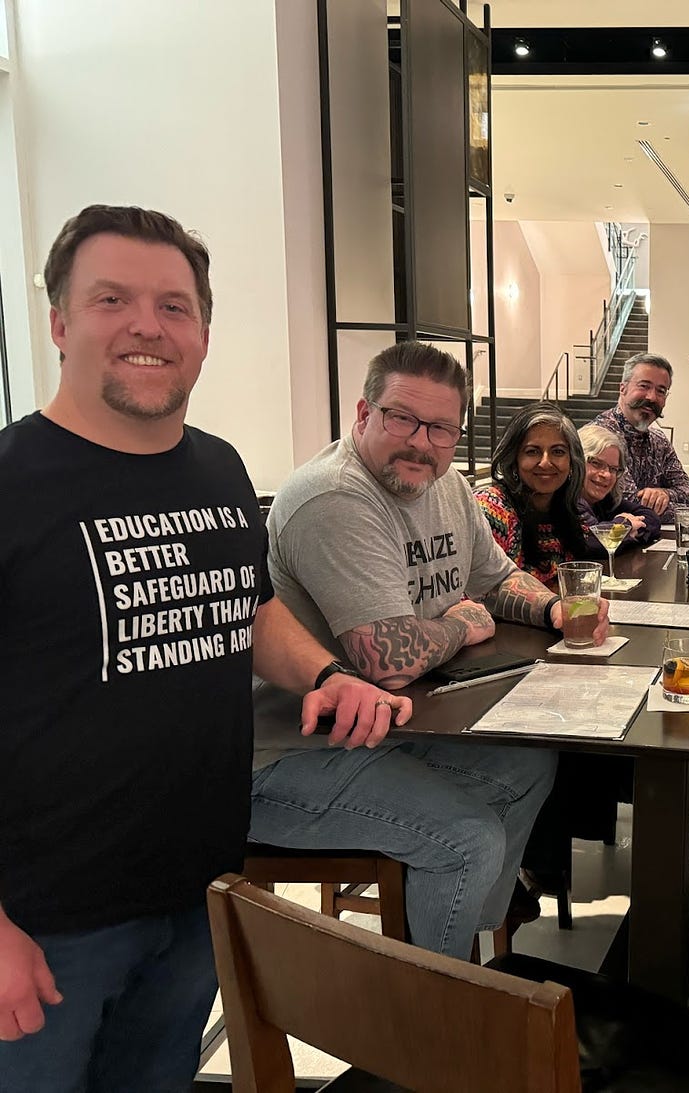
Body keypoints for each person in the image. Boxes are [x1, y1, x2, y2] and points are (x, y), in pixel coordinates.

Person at [0, 205, 405, 1091]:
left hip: (198, 888)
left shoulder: (219, 469)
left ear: (204, 334)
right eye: (112, 298)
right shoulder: (12, 483)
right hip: (41, 923)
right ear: (61, 322)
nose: (148, 324)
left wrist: (326, 672)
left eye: (175, 306)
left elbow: (247, 608)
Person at [251, 343, 610, 963]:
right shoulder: (335, 498)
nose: (422, 441)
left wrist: (554, 608)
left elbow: (495, 579)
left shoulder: (447, 487)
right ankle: (436, 1015)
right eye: (401, 418)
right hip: (290, 751)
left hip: (385, 726)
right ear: (363, 414)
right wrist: (460, 626)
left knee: (529, 765)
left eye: (442, 427)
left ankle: (476, 950)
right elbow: (385, 662)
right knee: (468, 838)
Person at [475, 402, 592, 585]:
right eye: (532, 452)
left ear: (572, 461)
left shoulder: (568, 510)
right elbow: (479, 594)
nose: (545, 462)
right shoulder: (492, 510)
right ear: (514, 459)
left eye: (558, 451)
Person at [590, 352, 689, 516]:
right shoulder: (600, 437)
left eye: (661, 391)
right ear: (623, 388)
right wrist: (685, 511)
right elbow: (629, 504)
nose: (652, 397)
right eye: (644, 386)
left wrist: (664, 494)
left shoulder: (659, 441)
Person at [576, 423, 661, 551]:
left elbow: (651, 517)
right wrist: (625, 525)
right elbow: (592, 543)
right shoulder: (568, 501)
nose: (606, 474)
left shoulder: (605, 500)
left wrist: (631, 530)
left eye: (613, 469)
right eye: (596, 463)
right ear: (576, 461)